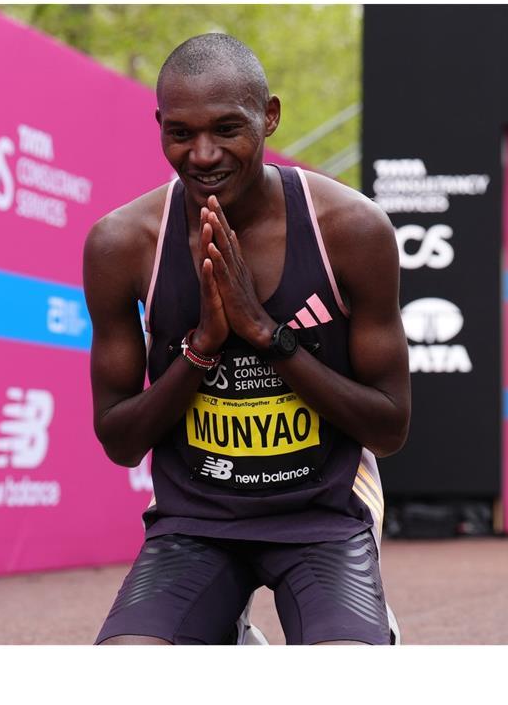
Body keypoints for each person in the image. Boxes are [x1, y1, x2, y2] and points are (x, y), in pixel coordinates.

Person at [82, 33, 410, 645]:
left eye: (227, 129)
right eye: (180, 134)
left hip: (324, 514)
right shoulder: (122, 244)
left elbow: (389, 429)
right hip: (194, 522)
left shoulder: (351, 229)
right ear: (159, 127)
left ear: (271, 117)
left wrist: (265, 333)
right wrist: (202, 347)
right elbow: (122, 442)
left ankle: (365, 630)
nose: (202, 155)